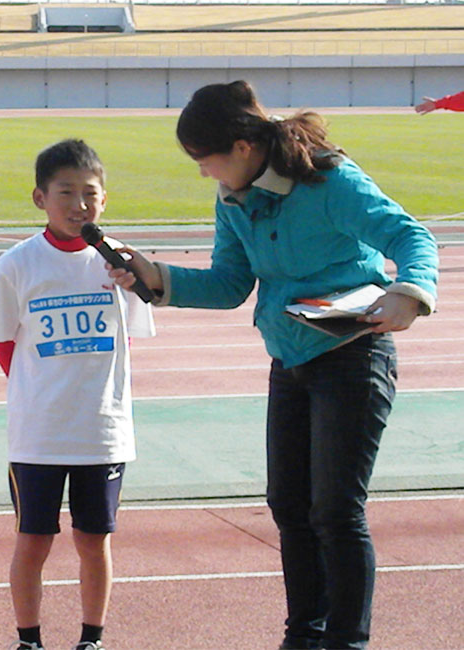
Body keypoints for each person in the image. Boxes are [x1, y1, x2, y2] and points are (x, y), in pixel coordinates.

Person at [108, 81, 438, 649]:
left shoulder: (329, 179)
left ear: (241, 147)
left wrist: (411, 292)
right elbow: (230, 283)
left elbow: (409, 235)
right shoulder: (233, 199)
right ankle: (303, 636)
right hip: (289, 358)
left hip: (353, 356)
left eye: (204, 160)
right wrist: (155, 276)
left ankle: (345, 641)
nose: (203, 174)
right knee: (288, 504)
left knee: (335, 511)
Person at [0, 139, 155, 650]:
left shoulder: (120, 262)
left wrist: (133, 277)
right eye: (66, 193)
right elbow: (3, 344)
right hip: (38, 433)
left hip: (101, 432)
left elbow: (131, 337)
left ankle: (92, 638)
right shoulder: (17, 264)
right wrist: (41, 393)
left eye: (90, 193)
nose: (79, 205)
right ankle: (29, 639)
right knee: (33, 539)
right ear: (40, 198)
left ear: (105, 198)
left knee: (93, 540)